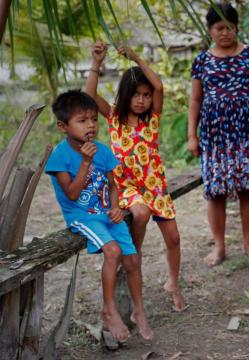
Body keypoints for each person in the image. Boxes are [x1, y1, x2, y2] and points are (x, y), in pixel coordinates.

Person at [86, 42, 187, 312]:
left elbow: (159, 87)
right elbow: (89, 94)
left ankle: (173, 283)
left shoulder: (152, 119)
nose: (142, 99)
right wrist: (97, 62)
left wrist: (135, 56)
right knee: (140, 214)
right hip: (127, 186)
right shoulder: (113, 118)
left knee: (174, 238)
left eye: (145, 94)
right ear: (126, 95)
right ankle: (135, 253)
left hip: (155, 185)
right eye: (136, 95)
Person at [46, 90, 154, 341]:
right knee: (113, 251)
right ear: (63, 126)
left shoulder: (103, 151)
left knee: (132, 260)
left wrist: (116, 206)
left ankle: (139, 310)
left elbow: (112, 184)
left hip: (107, 213)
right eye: (82, 120)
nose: (91, 125)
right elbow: (72, 195)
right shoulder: (59, 157)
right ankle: (109, 309)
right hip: (82, 217)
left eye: (94, 119)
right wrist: (84, 162)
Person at [188, 3, 249, 266]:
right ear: (210, 31)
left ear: (236, 27)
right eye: (219, 28)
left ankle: (248, 243)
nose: (225, 33)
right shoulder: (202, 61)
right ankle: (219, 247)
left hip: (248, 134)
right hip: (215, 138)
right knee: (216, 192)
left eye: (229, 27)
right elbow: (195, 100)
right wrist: (191, 135)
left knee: (247, 189)